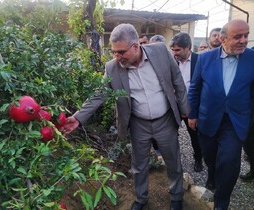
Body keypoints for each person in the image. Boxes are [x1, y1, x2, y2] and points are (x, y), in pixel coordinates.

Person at [62, 23, 190, 210]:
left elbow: (177, 79)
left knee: (173, 160)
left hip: (165, 120)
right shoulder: (113, 67)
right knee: (139, 165)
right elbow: (100, 93)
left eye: (121, 52)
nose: (117, 57)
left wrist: (184, 108)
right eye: (114, 52)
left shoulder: (161, 52)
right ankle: (141, 198)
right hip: (139, 123)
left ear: (136, 46)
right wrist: (79, 117)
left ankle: (177, 197)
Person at [188, 19, 254, 210]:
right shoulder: (205, 58)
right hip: (208, 118)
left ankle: (221, 202)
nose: (243, 40)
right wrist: (193, 114)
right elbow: (195, 88)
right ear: (223, 39)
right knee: (211, 156)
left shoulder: (252, 58)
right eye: (238, 37)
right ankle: (213, 174)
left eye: (246, 35)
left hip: (235, 120)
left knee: (229, 160)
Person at [169, 32, 203, 172]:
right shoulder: (171, 61)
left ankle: (198, 159)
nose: (174, 53)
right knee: (171, 134)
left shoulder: (199, 60)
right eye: (173, 50)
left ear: (188, 47)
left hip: (192, 107)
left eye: (178, 50)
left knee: (195, 136)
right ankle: (174, 160)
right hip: (175, 106)